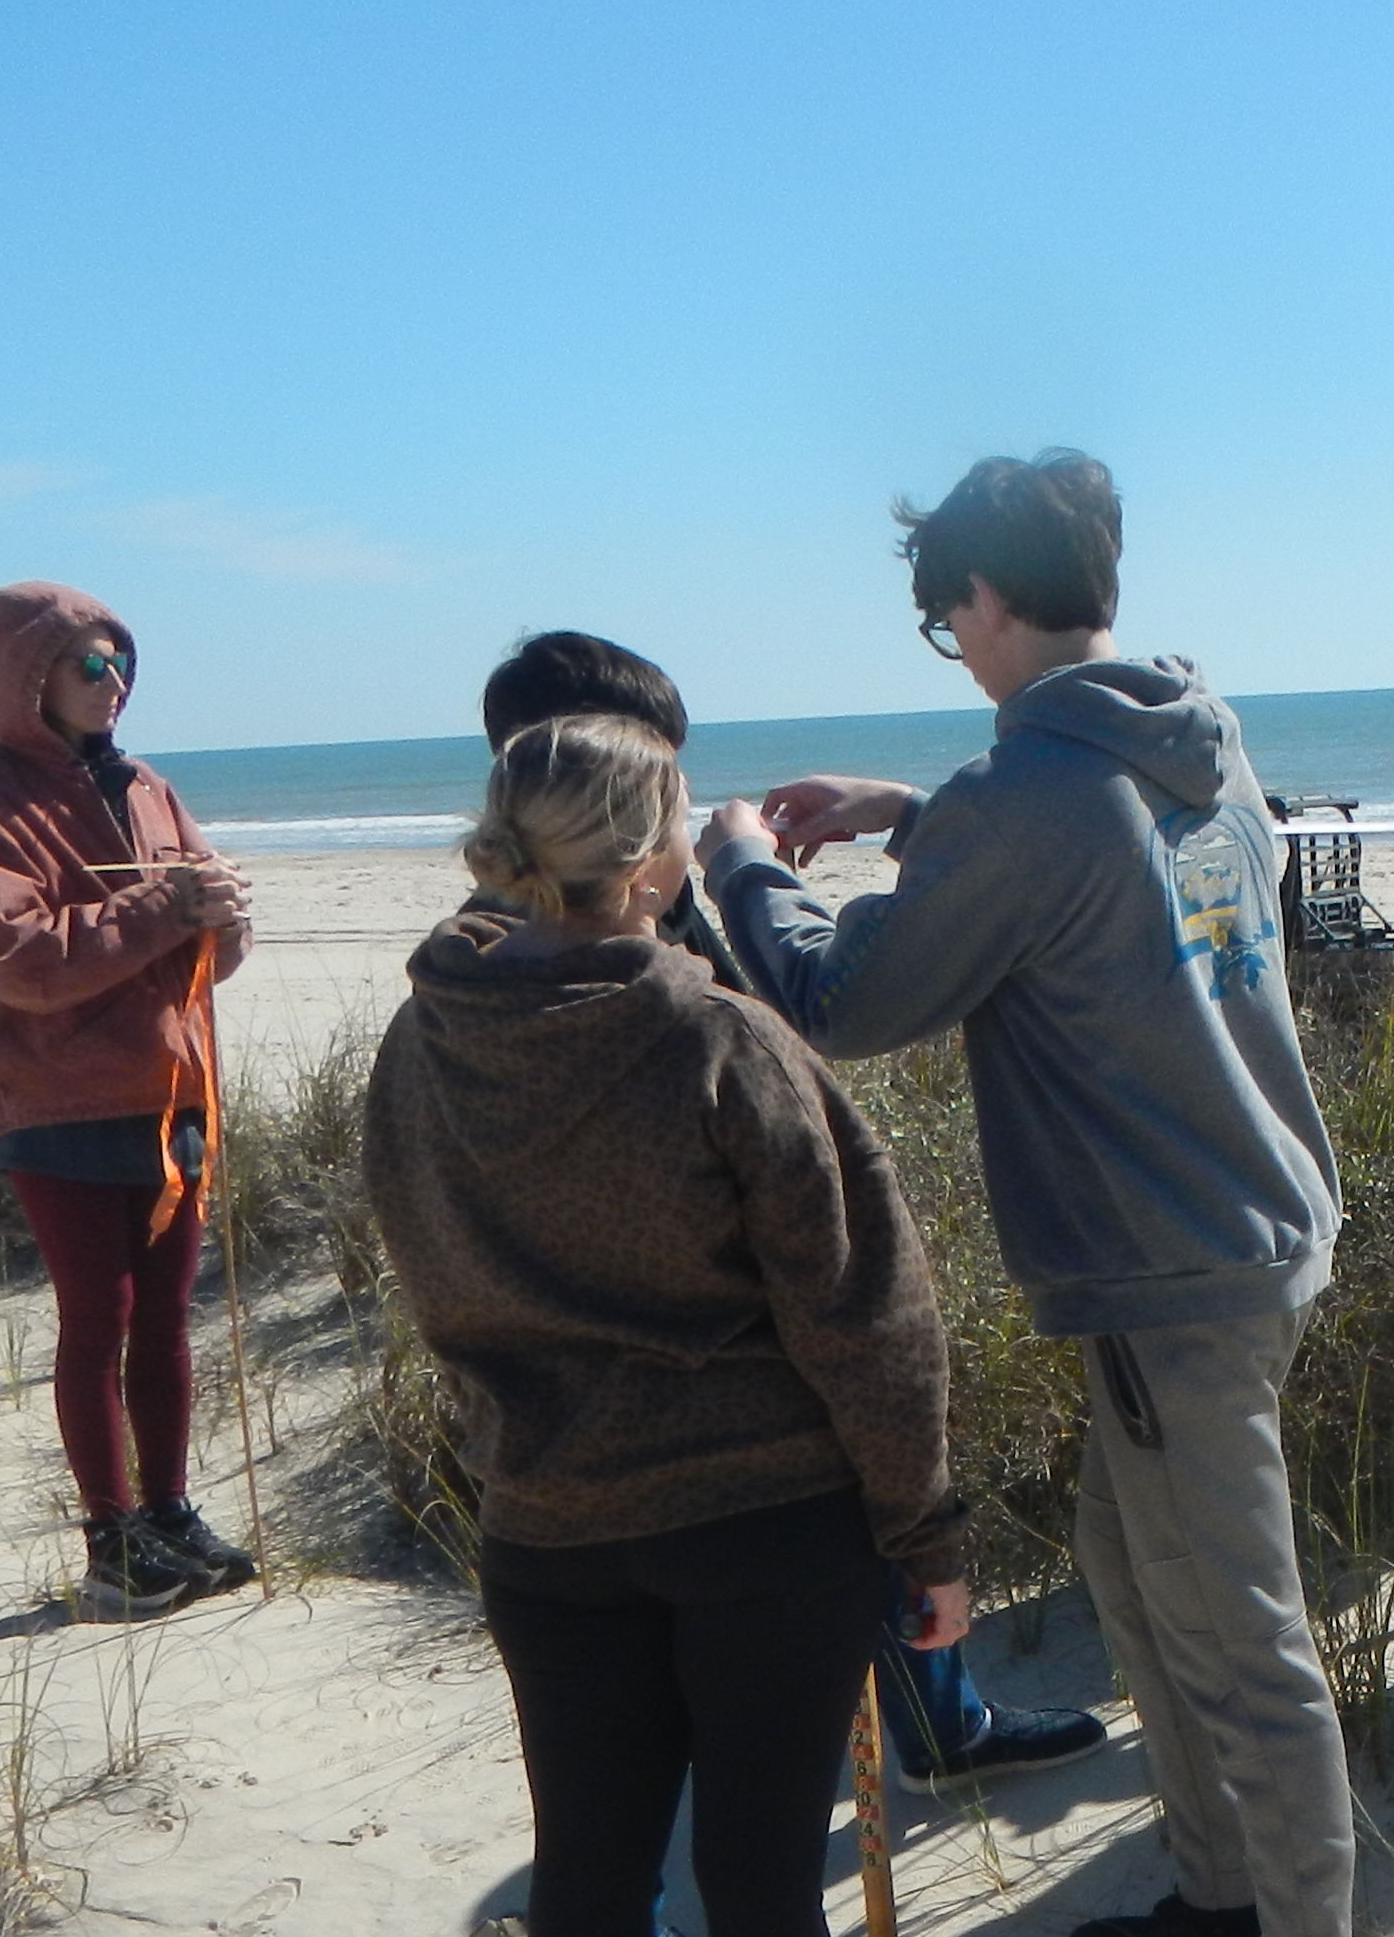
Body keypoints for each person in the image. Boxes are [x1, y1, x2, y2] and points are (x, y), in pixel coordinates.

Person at [695, 450, 1388, 1937]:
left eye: (953, 622)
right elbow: (1093, 888)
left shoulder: (1036, 791)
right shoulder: (1187, 748)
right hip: (1232, 1234)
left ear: (988, 604)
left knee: (1238, 1640)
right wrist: (908, 814)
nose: (960, 649)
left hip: (1169, 1267)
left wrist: (739, 868)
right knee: (1135, 1586)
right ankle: (1225, 1903)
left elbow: (844, 999)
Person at [362, 713, 973, 1937]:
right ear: (651, 862)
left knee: (588, 1869)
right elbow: (867, 1307)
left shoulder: (426, 1040)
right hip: (756, 1517)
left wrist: (523, 1419)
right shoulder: (710, 1031)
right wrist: (922, 1527)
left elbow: (421, 1260)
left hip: (550, 1521)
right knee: (758, 1876)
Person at [475, 640, 1108, 1793]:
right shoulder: (515, 950)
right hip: (674, 1379)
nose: (669, 806)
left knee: (859, 1494)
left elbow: (765, 1023)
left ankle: (941, 1718)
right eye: (651, 779)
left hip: (686, 1360)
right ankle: (917, 1729)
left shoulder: (588, 913)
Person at [0, 581, 264, 1618]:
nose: (113, 684)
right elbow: (19, 960)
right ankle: (110, 1541)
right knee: (95, 1318)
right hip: (56, 1103)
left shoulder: (149, 786)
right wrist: (163, 905)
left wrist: (223, 914)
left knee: (165, 1319)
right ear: (26, 678)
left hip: (170, 1094)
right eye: (88, 665)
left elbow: (205, 950)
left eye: (120, 664)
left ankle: (168, 1513)